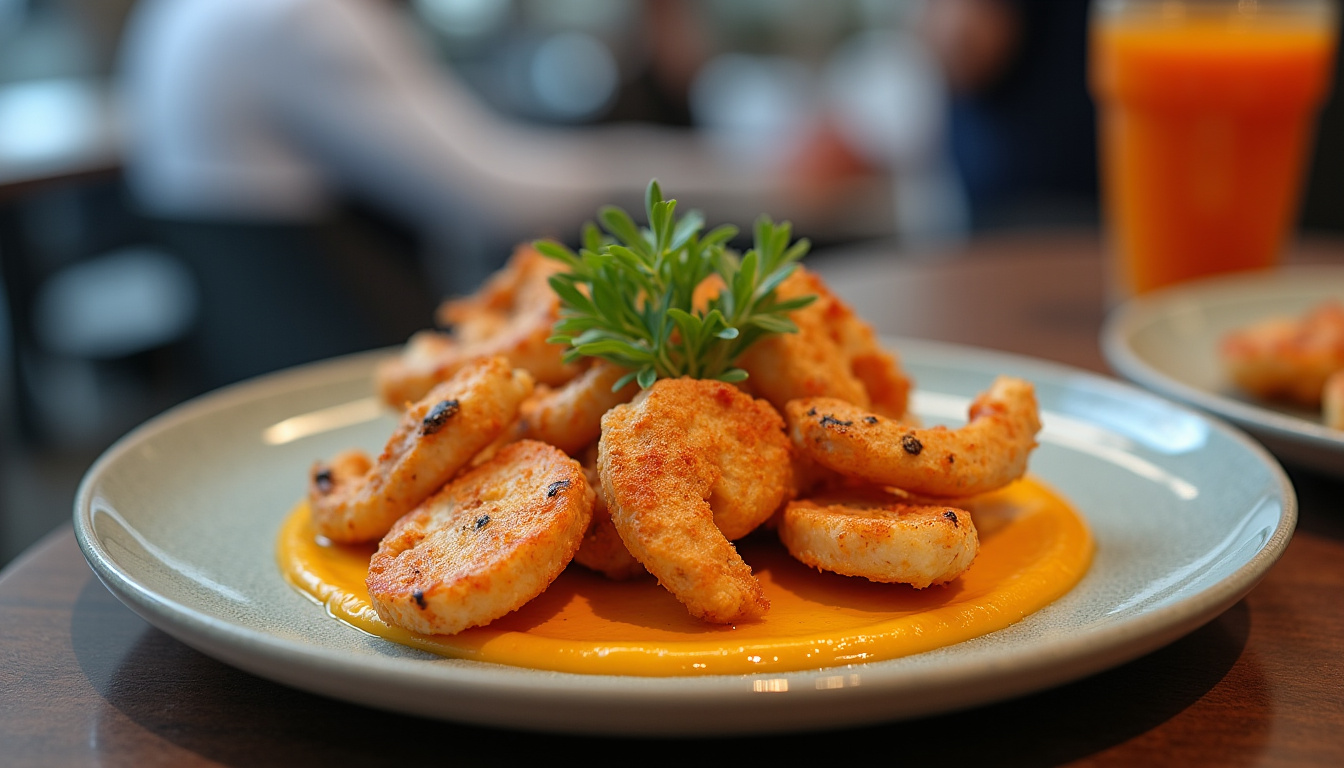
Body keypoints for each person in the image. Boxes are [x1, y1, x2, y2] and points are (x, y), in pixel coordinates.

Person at [117, 0, 798, 390]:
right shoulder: (299, 20)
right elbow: (502, 194)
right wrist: (755, 171)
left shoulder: (185, 13)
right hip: (351, 356)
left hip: (251, 351)